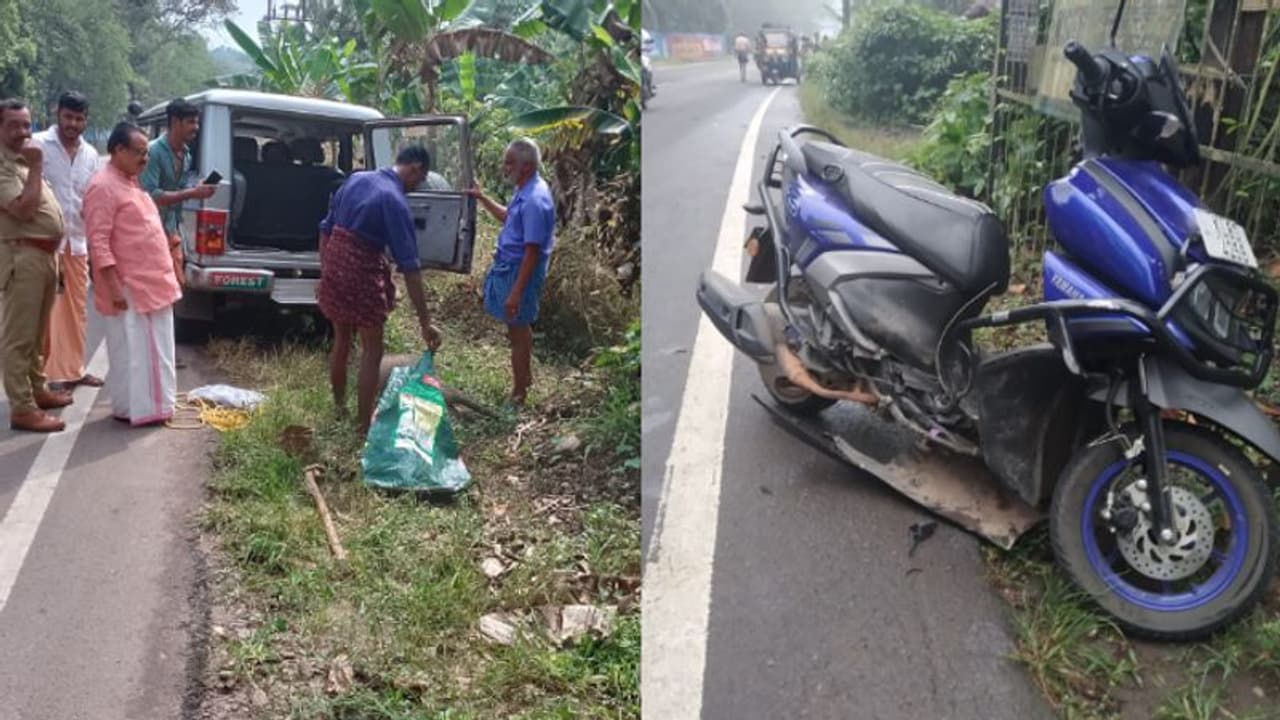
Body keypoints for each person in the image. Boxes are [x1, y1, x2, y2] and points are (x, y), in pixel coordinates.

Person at [316, 144, 443, 435]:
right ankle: (363, 427)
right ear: (415, 169)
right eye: (419, 180)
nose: (416, 187)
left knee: (342, 339)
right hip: (361, 269)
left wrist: (326, 274)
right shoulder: (394, 201)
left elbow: (325, 228)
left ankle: (339, 408)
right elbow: (410, 267)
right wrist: (425, 322)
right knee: (373, 349)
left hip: (334, 260)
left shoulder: (357, 179)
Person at [84, 122, 183, 427]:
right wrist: (113, 286)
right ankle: (144, 409)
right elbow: (98, 241)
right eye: (139, 152)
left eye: (146, 153)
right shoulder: (103, 186)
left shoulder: (129, 181)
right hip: (131, 287)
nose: (145, 159)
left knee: (152, 350)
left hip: (152, 282)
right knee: (139, 352)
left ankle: (144, 407)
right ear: (118, 151)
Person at [0, 98, 73, 432]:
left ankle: (37, 389)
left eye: (26, 125)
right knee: (19, 336)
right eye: (14, 125)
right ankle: (22, 407)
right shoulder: (7, 164)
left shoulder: (23, 160)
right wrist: (38, 166)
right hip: (22, 257)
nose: (22, 132)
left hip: (44, 257)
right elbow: (24, 210)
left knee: (37, 333)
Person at [468, 138, 555, 409]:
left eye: (509, 163)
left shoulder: (534, 199)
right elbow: (510, 218)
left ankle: (519, 393)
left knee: (517, 331)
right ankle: (524, 379)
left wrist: (516, 292)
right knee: (519, 330)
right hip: (512, 266)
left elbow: (531, 251)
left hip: (521, 270)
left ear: (526, 166)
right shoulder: (525, 190)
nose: (504, 168)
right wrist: (482, 198)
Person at [36, 91, 104, 392]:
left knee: (77, 311)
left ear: (86, 120)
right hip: (43, 245)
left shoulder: (90, 154)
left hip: (78, 244)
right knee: (45, 312)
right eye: (68, 117)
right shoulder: (37, 145)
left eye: (79, 118)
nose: (72, 124)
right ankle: (44, 376)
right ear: (57, 114)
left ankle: (74, 370)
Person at [140, 98, 216, 291]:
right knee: (155, 289)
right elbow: (152, 195)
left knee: (173, 287)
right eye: (191, 122)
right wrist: (192, 192)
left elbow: (178, 189)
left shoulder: (186, 154)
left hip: (171, 231)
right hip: (148, 232)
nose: (196, 127)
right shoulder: (153, 151)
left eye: (196, 122)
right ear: (175, 122)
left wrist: (195, 188)